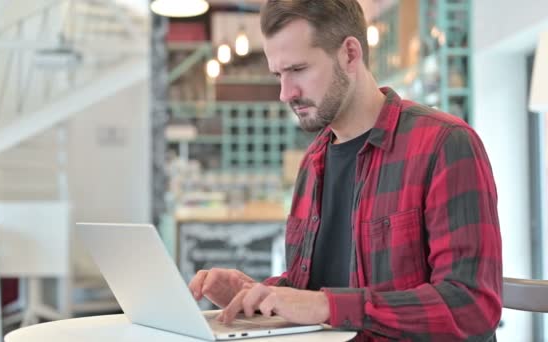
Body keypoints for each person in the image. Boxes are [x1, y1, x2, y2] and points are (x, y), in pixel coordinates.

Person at [188, 1, 503, 340]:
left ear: (350, 54)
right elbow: (316, 289)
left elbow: (471, 307)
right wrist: (255, 295)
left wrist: (327, 306)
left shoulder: (444, 144)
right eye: (279, 75)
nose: (285, 93)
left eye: (298, 69)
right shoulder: (313, 162)